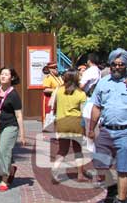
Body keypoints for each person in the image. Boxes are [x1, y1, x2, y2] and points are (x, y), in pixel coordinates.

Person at [88, 48, 127, 203]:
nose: (117, 67)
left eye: (121, 64)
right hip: (106, 130)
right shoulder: (103, 83)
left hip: (124, 132)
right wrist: (91, 128)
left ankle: (121, 199)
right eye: (114, 64)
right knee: (100, 164)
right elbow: (96, 107)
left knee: (123, 168)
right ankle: (111, 190)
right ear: (110, 65)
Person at [51, 69, 87, 183]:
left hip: (62, 122)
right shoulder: (81, 93)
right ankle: (80, 174)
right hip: (76, 123)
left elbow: (54, 106)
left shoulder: (59, 90)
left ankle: (55, 171)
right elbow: (83, 112)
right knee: (78, 150)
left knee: (62, 150)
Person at [0, 67, 26, 192]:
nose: (3, 76)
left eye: (6, 74)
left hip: (10, 126)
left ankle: (4, 179)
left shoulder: (13, 95)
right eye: (1, 73)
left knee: (3, 151)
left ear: (11, 78)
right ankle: (11, 169)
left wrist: (22, 134)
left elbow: (19, 115)